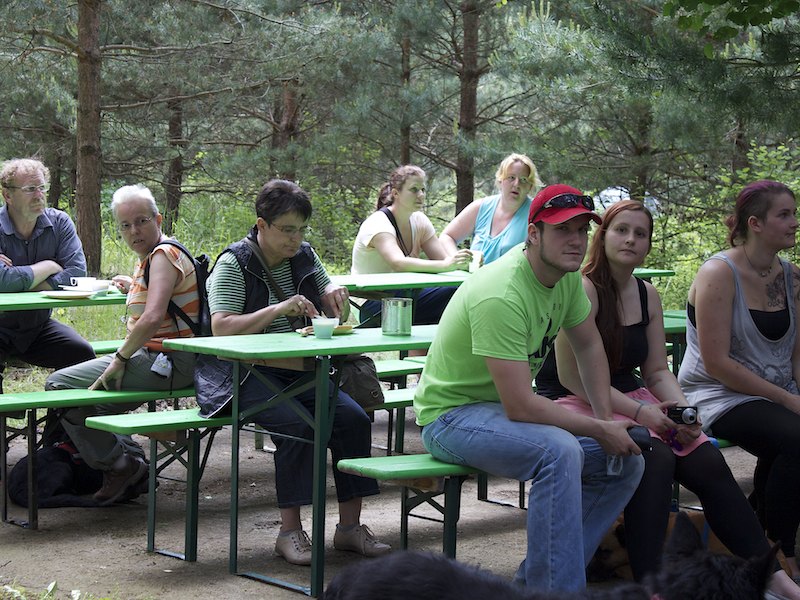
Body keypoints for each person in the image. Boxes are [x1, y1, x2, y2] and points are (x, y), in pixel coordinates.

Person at [535, 199, 800, 598]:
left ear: (648, 245)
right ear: (602, 237)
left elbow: (657, 371)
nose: (631, 240)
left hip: (633, 396)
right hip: (577, 399)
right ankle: (653, 587)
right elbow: (573, 379)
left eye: (641, 234)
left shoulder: (647, 294)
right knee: (654, 456)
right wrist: (642, 412)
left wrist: (684, 412)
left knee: (707, 458)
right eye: (622, 230)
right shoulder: (581, 288)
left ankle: (772, 578)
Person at [413, 184, 645, 593]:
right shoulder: (502, 293)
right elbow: (521, 405)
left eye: (582, 230)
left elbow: (588, 345)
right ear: (533, 234)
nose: (575, 240)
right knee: (560, 451)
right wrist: (598, 428)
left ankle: (537, 584)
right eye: (562, 230)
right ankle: (555, 591)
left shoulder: (566, 278)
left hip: (498, 412)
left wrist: (606, 421)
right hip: (450, 418)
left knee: (625, 462)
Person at [206, 179, 390, 566]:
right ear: (262, 224)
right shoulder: (234, 263)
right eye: (287, 230)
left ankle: (349, 528)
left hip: (301, 370)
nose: (296, 239)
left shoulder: (304, 255)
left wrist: (337, 300)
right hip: (245, 376)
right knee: (297, 427)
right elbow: (220, 328)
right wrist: (276, 310)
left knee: (353, 420)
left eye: (301, 229)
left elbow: (332, 305)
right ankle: (289, 533)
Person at [45, 184, 199, 505]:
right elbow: (163, 301)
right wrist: (134, 286)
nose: (134, 231)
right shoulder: (154, 257)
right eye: (125, 225)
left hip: (169, 360)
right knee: (90, 408)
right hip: (165, 359)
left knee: (59, 386)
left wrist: (119, 358)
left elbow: (152, 317)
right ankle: (129, 461)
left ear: (158, 219)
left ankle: (121, 465)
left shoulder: (162, 255)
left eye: (141, 221)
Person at [678, 180, 800, 579]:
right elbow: (717, 364)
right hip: (720, 394)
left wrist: (796, 394)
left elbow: (796, 355)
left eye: (794, 213)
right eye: (784, 214)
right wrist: (787, 400)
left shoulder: (792, 277)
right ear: (756, 223)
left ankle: (752, 533)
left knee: (788, 437)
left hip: (777, 393)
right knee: (795, 437)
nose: (794, 222)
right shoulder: (719, 273)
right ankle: (780, 551)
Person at [0, 158, 95, 392]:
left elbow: (76, 273)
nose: (39, 195)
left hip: (37, 327)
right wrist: (50, 265)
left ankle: (59, 418)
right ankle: (8, 417)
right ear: (7, 195)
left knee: (81, 354)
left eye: (42, 187)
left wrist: (18, 281)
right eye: (30, 189)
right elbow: (2, 280)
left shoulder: (59, 223)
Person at [351, 165, 472, 326]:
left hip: (408, 296)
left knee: (464, 292)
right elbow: (398, 263)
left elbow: (444, 259)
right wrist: (447, 265)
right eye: (414, 190)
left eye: (423, 189)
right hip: (372, 303)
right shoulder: (378, 223)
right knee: (455, 294)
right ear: (396, 193)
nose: (421, 195)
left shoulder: (420, 220)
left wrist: (463, 263)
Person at [439, 153, 543, 264]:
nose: (516, 184)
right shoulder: (481, 207)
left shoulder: (536, 214)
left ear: (530, 186)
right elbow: (446, 237)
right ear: (501, 180)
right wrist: (458, 260)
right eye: (511, 178)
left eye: (523, 180)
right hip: (474, 275)